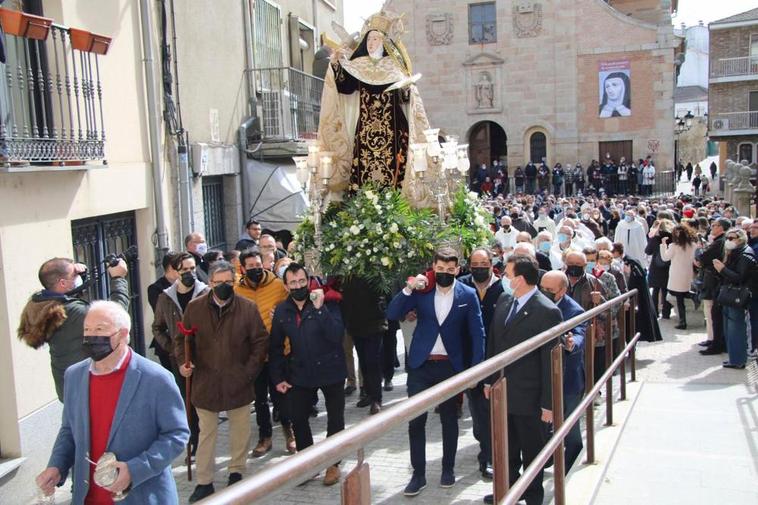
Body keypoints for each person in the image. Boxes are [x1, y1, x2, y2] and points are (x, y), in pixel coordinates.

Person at [36, 301, 189, 504]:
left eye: (100, 329)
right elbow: (69, 430)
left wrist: (135, 470)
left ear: (123, 334)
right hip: (89, 498)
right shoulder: (74, 376)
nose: (91, 336)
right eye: (87, 330)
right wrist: (57, 466)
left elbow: (177, 435)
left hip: (141, 497)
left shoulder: (156, 378)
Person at [387, 247, 485, 497]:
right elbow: (392, 313)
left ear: (458, 269)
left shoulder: (468, 294)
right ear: (433, 267)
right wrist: (409, 288)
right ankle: (418, 474)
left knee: (449, 419)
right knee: (416, 420)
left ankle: (448, 469)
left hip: (450, 365)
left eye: (449, 269)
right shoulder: (422, 291)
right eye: (439, 269)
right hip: (421, 364)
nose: (444, 273)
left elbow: (477, 332)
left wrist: (475, 370)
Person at [177, 261, 269, 502]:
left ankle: (236, 472)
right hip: (205, 381)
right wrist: (183, 363)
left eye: (228, 282)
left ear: (234, 281)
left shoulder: (248, 308)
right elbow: (182, 339)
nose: (224, 287)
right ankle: (204, 482)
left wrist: (247, 372)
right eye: (219, 283)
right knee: (206, 433)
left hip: (238, 381)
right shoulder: (195, 308)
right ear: (210, 283)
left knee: (240, 431)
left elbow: (260, 342)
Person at [318, 10, 430, 194]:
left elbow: (405, 98)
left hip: (393, 130)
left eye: (375, 39)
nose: (371, 44)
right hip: (365, 131)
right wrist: (336, 65)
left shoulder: (394, 66)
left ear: (384, 42)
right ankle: (364, 208)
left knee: (394, 167)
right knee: (363, 168)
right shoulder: (358, 65)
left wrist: (406, 88)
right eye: (369, 40)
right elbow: (345, 87)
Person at [482, 255, 563, 505]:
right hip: (502, 392)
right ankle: (507, 491)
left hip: (530, 397)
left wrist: (549, 404)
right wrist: (488, 379)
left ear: (518, 279)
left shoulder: (547, 310)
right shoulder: (505, 300)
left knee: (531, 452)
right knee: (506, 449)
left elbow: (550, 361)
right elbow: (494, 342)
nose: (503, 278)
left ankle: (533, 497)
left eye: (507, 274)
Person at [269, 263, 347, 485]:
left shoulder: (328, 301)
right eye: (293, 283)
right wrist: (278, 378)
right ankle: (308, 464)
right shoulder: (282, 310)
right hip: (300, 371)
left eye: (302, 281)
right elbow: (275, 347)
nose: (298, 286)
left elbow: (336, 335)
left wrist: (320, 308)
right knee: (299, 418)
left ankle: (333, 463)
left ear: (308, 280)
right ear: (285, 286)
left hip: (331, 369)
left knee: (335, 418)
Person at [18, 257, 129, 401]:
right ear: (62, 283)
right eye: (74, 275)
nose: (78, 277)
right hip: (86, 391)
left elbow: (68, 293)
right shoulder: (72, 312)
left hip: (69, 388)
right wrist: (118, 278)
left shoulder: (44, 304)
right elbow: (116, 317)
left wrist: (75, 271)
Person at [234, 248, 295, 456]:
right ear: (242, 268)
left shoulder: (278, 286)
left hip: (279, 351)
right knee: (260, 399)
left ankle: (290, 434)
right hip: (254, 355)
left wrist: (282, 313)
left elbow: (294, 307)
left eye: (258, 266)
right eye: (250, 267)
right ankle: (265, 437)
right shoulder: (237, 290)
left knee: (283, 395)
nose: (255, 269)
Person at [152, 252, 209, 455]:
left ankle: (205, 439)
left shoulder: (206, 293)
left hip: (204, 357)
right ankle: (192, 439)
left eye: (192, 269)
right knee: (186, 400)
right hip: (179, 358)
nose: (189, 273)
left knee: (203, 400)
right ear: (175, 272)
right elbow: (157, 327)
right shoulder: (165, 298)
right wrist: (172, 349)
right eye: (185, 269)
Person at [458, 248, 504, 479]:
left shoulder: (504, 288)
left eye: (483, 263)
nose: (479, 267)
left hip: (499, 359)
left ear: (491, 263)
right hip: (472, 361)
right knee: (479, 413)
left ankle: (495, 455)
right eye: (474, 263)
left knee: (497, 411)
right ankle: (486, 453)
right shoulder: (462, 286)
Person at [539, 270, 587, 472]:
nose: (544, 293)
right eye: (542, 288)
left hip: (568, 378)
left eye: (550, 290)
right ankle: (546, 460)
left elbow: (580, 335)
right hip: (542, 377)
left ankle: (569, 467)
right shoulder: (537, 304)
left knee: (569, 427)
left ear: (562, 291)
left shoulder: (573, 310)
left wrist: (570, 344)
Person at [341, 276, 387, 414]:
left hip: (374, 325)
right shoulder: (346, 276)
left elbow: (383, 294)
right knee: (364, 363)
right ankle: (369, 393)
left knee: (372, 362)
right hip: (355, 325)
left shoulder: (373, 273)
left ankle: (376, 399)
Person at [713, 228, 757, 369]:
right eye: (728, 237)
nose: (728, 240)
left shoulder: (744, 254)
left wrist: (722, 269)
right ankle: (734, 358)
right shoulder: (736, 253)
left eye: (732, 238)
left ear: (740, 239)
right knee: (730, 327)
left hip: (738, 295)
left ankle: (738, 360)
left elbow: (739, 277)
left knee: (735, 327)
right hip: (731, 294)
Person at [697, 218, 731, 355]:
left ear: (722, 228)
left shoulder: (720, 242)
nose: (712, 227)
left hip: (715, 280)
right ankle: (713, 339)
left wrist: (700, 257)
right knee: (711, 311)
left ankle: (717, 343)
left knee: (715, 313)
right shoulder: (718, 241)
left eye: (715, 225)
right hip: (712, 278)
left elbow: (705, 257)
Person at [660, 223, 698, 329]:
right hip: (688, 273)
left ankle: (682, 322)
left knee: (678, 297)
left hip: (676, 273)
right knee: (681, 295)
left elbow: (665, 258)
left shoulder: (674, 246)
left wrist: (663, 245)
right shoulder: (693, 245)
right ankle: (692, 296)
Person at [645, 218, 674, 318]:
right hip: (668, 266)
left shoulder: (655, 238)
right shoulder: (673, 238)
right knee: (666, 290)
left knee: (655, 290)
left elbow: (648, 251)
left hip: (656, 266)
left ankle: (655, 313)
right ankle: (666, 313)